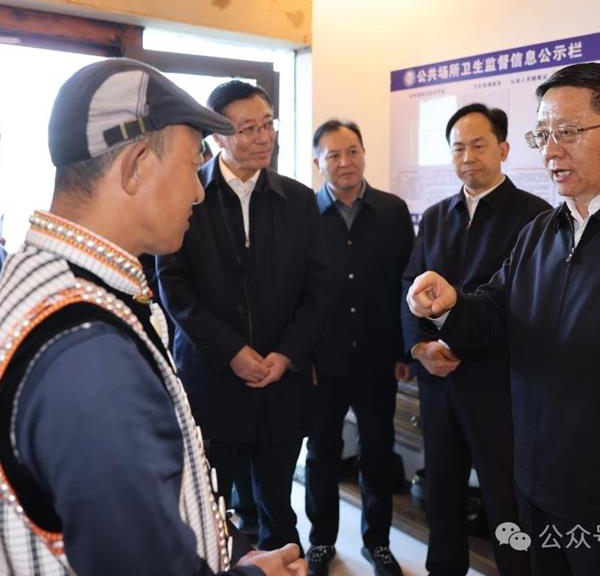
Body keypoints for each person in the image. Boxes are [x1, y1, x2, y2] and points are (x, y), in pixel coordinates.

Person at [0, 58, 307, 576]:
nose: (198, 191)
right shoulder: (88, 355)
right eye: (190, 166)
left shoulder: (48, 280)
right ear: (137, 165)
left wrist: (226, 555)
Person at [406, 62, 600, 576]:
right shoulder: (541, 232)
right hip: (536, 479)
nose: (551, 150)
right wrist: (449, 305)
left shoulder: (525, 213)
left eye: (568, 132)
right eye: (543, 134)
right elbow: (493, 311)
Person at [157, 80, 329, 551]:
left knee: (278, 506)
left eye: (268, 124)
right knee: (209, 508)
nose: (263, 137)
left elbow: (318, 289)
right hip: (212, 379)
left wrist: (286, 355)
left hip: (281, 381)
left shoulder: (299, 200)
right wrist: (232, 351)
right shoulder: (188, 192)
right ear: (217, 136)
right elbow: (174, 286)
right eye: (248, 128)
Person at [401, 104, 549, 575]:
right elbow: (409, 283)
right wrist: (418, 347)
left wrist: (461, 344)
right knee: (441, 495)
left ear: (503, 148)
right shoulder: (437, 216)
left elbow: (525, 307)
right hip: (439, 383)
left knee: (507, 502)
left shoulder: (535, 217)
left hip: (497, 387)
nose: (468, 157)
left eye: (479, 145)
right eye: (458, 147)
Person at [305, 119, 414, 576]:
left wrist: (405, 351)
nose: (345, 162)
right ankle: (321, 543)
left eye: (352, 151)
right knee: (322, 455)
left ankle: (378, 543)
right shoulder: (304, 214)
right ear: (318, 162)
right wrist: (302, 354)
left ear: (364, 153)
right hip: (322, 361)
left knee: (377, 453)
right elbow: (295, 290)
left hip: (376, 358)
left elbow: (406, 284)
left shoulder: (392, 211)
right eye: (333, 155)